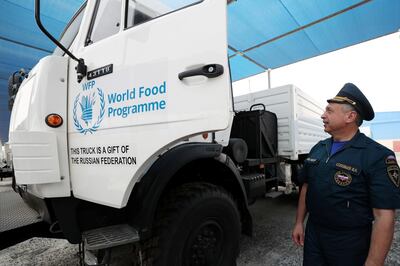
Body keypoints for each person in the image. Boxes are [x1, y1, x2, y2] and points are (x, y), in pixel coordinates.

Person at [291, 83, 400, 266]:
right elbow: (307, 186)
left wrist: (374, 262)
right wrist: (299, 222)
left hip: (350, 241)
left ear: (350, 116)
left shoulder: (377, 156)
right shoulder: (318, 148)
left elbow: (384, 216)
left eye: (329, 111)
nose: (323, 115)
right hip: (314, 234)